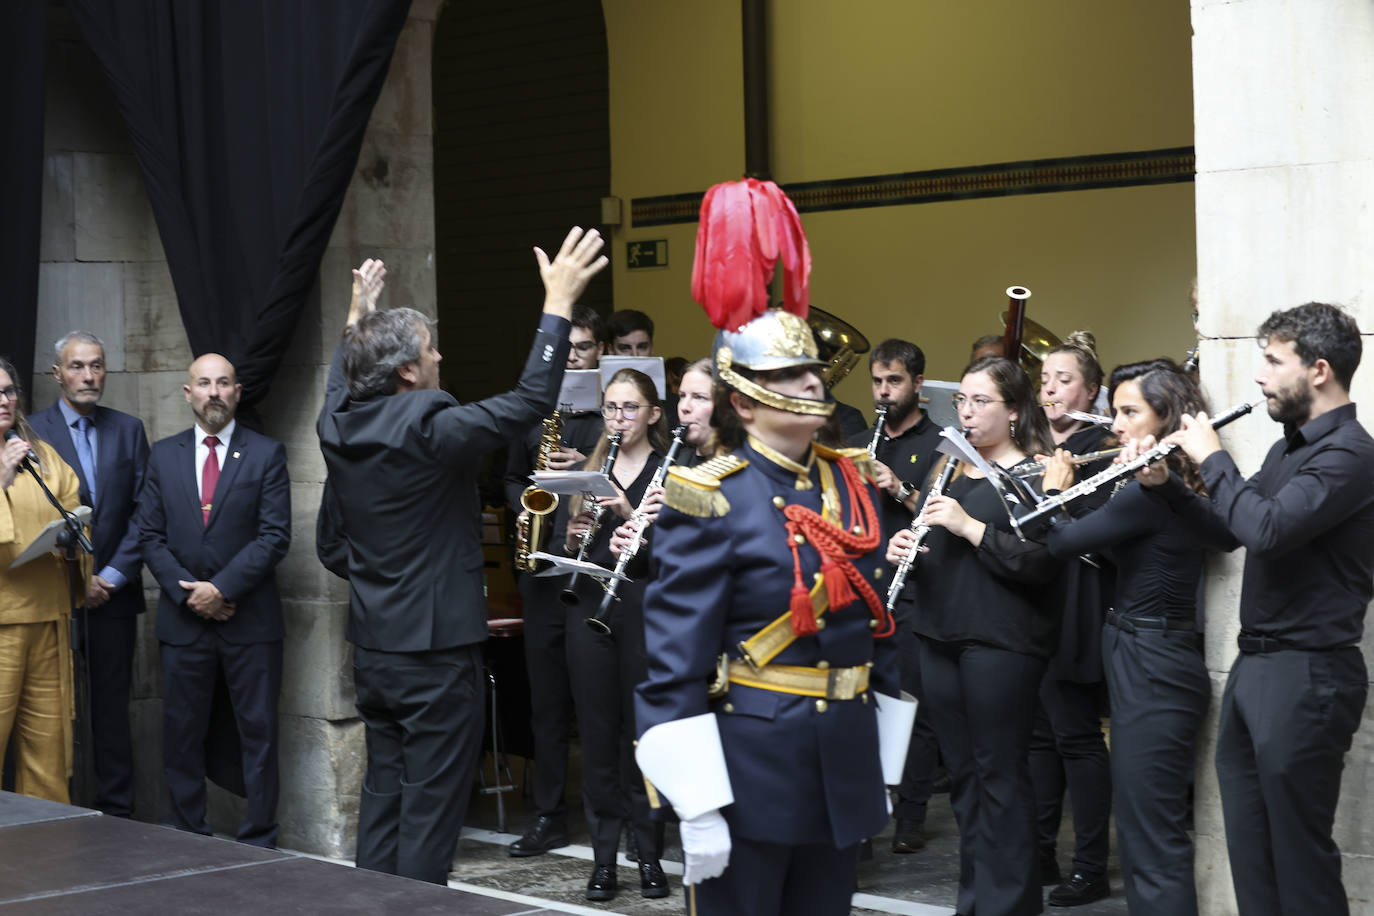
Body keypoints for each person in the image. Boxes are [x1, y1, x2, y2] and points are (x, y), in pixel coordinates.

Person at [317, 227, 606, 884]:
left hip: (377, 651)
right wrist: (557, 303)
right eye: (430, 349)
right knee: (432, 812)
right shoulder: (430, 428)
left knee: (384, 797)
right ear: (407, 373)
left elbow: (341, 380)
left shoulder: (335, 425)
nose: (441, 355)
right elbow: (531, 400)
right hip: (438, 656)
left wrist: (357, 316)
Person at [636, 308, 908, 916]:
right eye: (788, 375)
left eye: (812, 371)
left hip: (842, 761)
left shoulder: (851, 482)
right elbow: (675, 663)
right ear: (746, 402)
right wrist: (698, 804)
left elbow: (874, 629)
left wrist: (882, 764)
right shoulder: (709, 496)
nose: (812, 383)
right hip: (749, 771)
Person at [1138, 302, 1374, 916]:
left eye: (1273, 361)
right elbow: (1232, 529)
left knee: (1298, 856)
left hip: (1308, 673)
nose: (1260, 376)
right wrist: (1167, 486)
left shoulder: (1350, 454)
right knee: (1251, 852)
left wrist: (1214, 455)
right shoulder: (1284, 451)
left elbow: (1268, 530)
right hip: (1257, 669)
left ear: (1318, 370)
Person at [1037, 359, 1225, 916]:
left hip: (1154, 658)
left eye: (1128, 412)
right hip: (1145, 651)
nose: (1114, 424)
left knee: (1152, 836)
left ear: (1165, 419)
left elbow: (1063, 542)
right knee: (1147, 829)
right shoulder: (1160, 486)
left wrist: (1054, 491)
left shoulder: (1155, 493)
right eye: (1115, 411)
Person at [886, 356, 1061, 916]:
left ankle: (1011, 905)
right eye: (960, 400)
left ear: (1013, 411)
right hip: (939, 634)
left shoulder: (1032, 474)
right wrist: (907, 553)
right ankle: (976, 903)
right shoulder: (949, 470)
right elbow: (942, 555)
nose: (966, 411)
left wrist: (968, 526)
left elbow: (1042, 562)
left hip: (999, 642)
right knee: (964, 778)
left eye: (981, 401)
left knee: (1000, 778)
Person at [138, 353, 290, 847]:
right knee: (182, 735)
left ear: (237, 392)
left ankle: (261, 837)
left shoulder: (266, 454)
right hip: (185, 626)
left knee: (259, 736)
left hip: (251, 623)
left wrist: (220, 589)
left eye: (223, 383)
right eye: (203, 383)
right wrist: (192, 596)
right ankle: (190, 834)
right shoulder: (162, 455)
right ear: (188, 393)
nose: (213, 392)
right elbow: (149, 536)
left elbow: (274, 536)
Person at [560, 368, 671, 901]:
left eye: (629, 408)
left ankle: (648, 852)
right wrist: (575, 532)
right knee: (599, 737)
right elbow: (571, 546)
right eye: (611, 408)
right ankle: (604, 859)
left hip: (644, 611)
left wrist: (631, 514)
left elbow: (678, 558)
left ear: (652, 414)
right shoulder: (588, 470)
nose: (618, 418)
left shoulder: (669, 471)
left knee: (641, 738)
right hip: (589, 609)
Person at [29, 331, 149, 818]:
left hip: (114, 597)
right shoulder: (30, 432)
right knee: (53, 714)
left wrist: (113, 575)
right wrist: (80, 577)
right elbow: (32, 518)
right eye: (76, 366)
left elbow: (148, 512)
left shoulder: (129, 430)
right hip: (55, 597)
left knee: (112, 714)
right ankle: (60, 814)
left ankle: (117, 816)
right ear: (57, 374)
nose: (88, 376)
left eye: (96, 366)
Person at [502, 303, 607, 858]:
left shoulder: (612, 417)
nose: (572, 358)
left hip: (590, 574)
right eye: (565, 349)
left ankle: (605, 819)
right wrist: (528, 502)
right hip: (543, 570)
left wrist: (586, 468)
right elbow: (513, 476)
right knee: (545, 703)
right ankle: (548, 815)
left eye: (583, 348)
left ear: (599, 354)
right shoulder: (534, 412)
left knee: (594, 703)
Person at [846, 338, 942, 853]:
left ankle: (910, 816)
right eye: (878, 382)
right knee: (860, 706)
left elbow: (939, 512)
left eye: (895, 382)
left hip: (913, 593)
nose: (884, 392)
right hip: (860, 588)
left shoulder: (939, 443)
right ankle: (864, 814)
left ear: (918, 384)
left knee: (913, 707)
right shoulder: (859, 439)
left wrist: (898, 487)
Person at [1031, 332, 1114, 905]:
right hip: (1029, 601)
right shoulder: (1026, 440)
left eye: (1064, 380)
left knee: (1077, 737)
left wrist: (1052, 487)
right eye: (1044, 380)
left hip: (1080, 602)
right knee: (1037, 737)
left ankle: (1090, 866)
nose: (1051, 390)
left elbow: (1096, 527)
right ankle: (1037, 852)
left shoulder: (1108, 445)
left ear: (1090, 390)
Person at [0, 357, 87, 804]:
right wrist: (1, 477)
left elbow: (72, 504)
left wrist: (71, 540)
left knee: (47, 752)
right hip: (2, 625)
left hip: (47, 619)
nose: (4, 400)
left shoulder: (43, 453)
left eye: (10, 391)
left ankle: (47, 854)